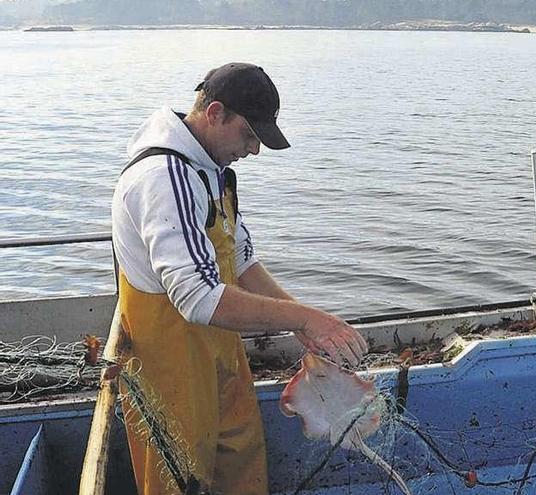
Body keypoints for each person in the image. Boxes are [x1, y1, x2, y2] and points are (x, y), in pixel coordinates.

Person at [111, 62, 368, 495]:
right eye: (249, 135)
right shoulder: (166, 178)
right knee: (181, 479)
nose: (253, 150)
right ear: (215, 113)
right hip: (169, 364)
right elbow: (197, 299)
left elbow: (242, 261)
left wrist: (304, 322)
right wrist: (305, 319)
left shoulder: (211, 169)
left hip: (220, 352)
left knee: (241, 459)